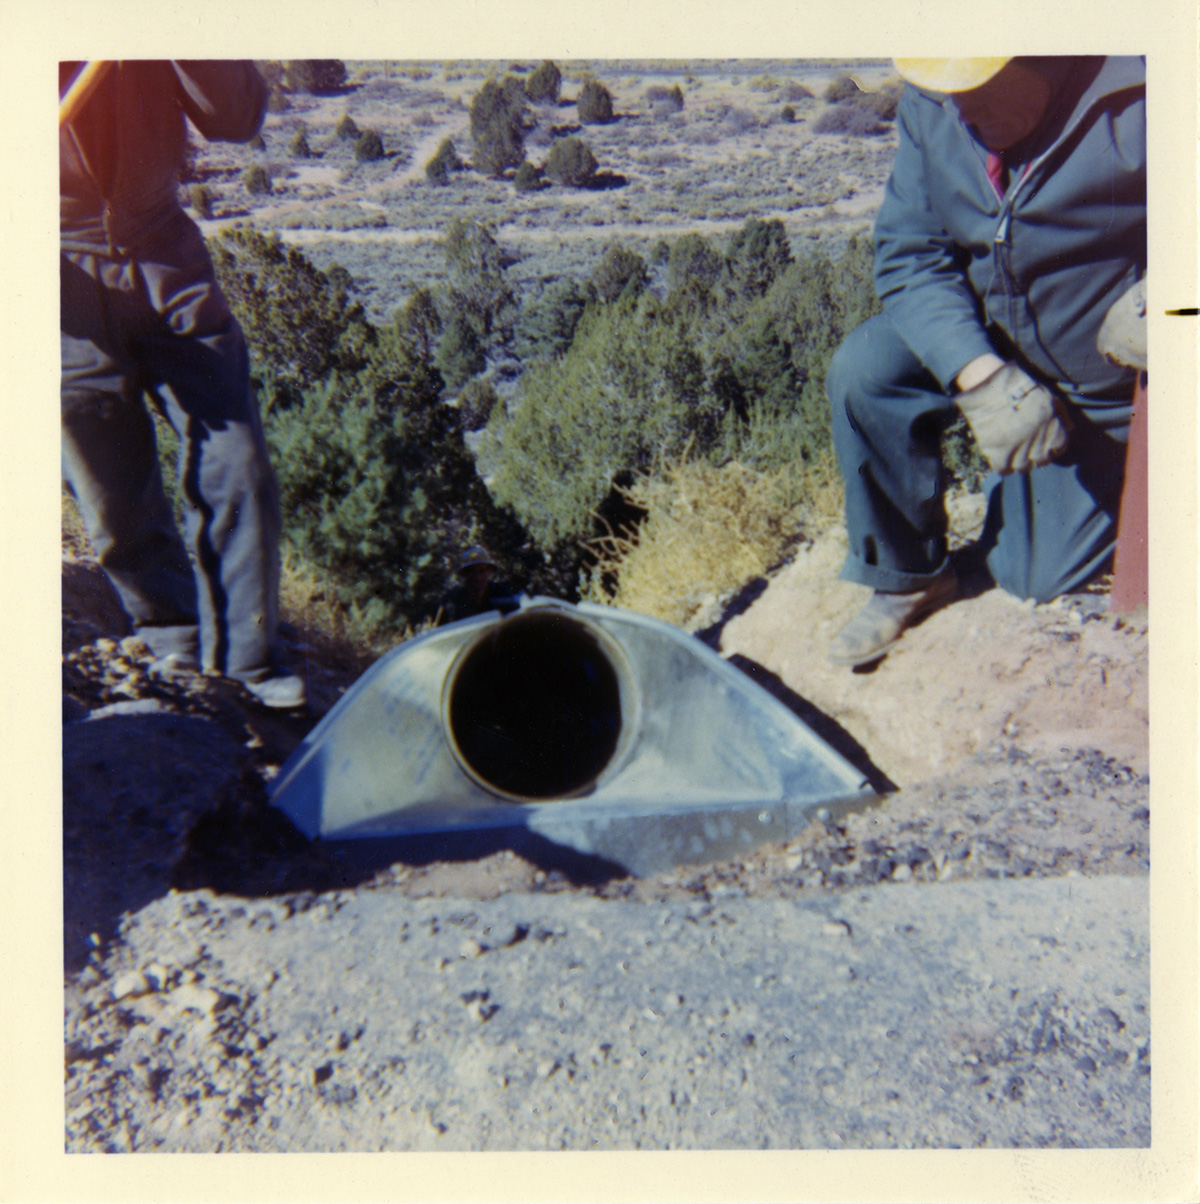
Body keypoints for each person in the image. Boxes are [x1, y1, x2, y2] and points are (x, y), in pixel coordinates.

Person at [825, 57, 1146, 667]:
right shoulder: (936, 98)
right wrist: (979, 373)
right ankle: (907, 576)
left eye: (976, 86)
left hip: (1097, 381)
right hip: (990, 338)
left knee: (1034, 579)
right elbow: (910, 256)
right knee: (867, 367)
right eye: (945, 89)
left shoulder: (1143, 90)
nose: (957, 109)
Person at [60, 60, 305, 708]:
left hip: (167, 263)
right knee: (111, 496)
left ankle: (249, 664)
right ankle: (175, 650)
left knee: (239, 459)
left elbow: (236, 117)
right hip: (56, 283)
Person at [439, 546, 521, 623]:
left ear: (490, 571)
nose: (477, 577)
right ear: (464, 574)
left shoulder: (502, 593)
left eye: (482, 571)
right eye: (471, 572)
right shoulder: (453, 599)